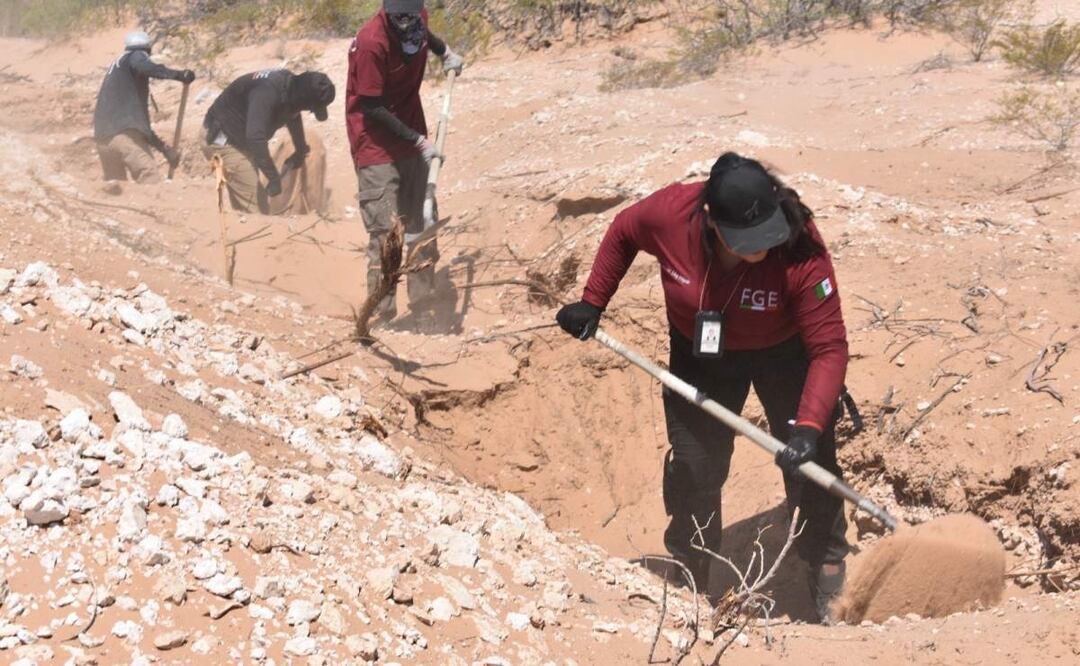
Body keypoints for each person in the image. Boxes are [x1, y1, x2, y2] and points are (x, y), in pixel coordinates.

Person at [556, 152, 851, 622]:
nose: (764, 248)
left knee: (810, 462)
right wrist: (593, 302)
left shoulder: (799, 245)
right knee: (696, 463)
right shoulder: (670, 214)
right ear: (711, 219)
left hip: (784, 353)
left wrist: (808, 426)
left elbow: (830, 348)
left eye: (767, 236)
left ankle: (827, 561)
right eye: (750, 242)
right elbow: (623, 232)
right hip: (702, 353)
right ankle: (693, 563)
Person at [346, 0, 465, 323]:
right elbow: (371, 106)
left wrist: (444, 53)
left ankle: (424, 306)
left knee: (423, 223)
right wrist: (417, 140)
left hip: (412, 135)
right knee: (387, 231)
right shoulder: (371, 43)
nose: (408, 21)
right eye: (400, 17)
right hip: (376, 144)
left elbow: (426, 32)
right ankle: (382, 314)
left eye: (412, 16)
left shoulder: (415, 16)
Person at [202, 68, 336, 213]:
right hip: (221, 139)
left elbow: (293, 112)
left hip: (242, 140)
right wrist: (273, 178)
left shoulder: (290, 86)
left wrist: (300, 149)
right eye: (310, 108)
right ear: (302, 98)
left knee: (254, 198)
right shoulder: (267, 92)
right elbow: (255, 137)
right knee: (255, 206)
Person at [93, 31, 195, 183]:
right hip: (123, 136)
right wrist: (179, 75)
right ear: (147, 50)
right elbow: (144, 66)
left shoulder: (121, 77)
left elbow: (140, 128)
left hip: (102, 138)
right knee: (150, 178)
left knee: (119, 190)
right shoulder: (136, 56)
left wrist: (165, 151)